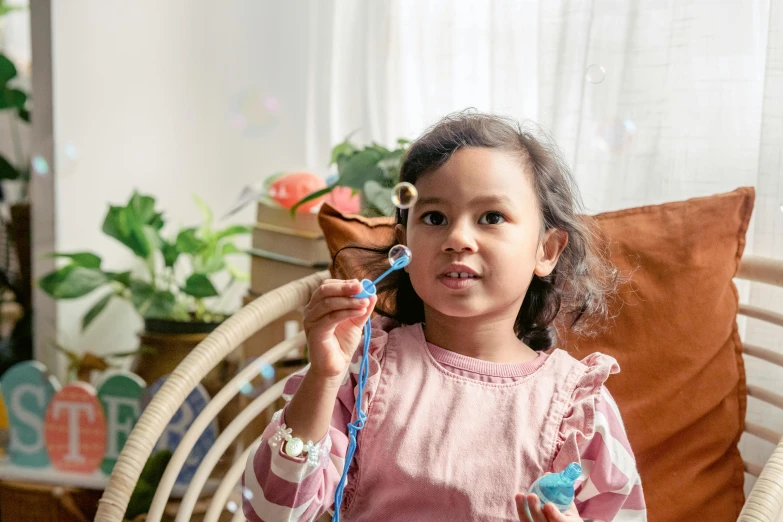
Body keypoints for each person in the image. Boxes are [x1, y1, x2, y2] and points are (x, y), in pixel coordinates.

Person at [242, 111, 647, 522]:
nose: (457, 239)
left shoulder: (579, 408)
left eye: (491, 217)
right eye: (434, 218)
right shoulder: (362, 370)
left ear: (546, 251)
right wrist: (323, 376)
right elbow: (270, 514)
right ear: (404, 246)